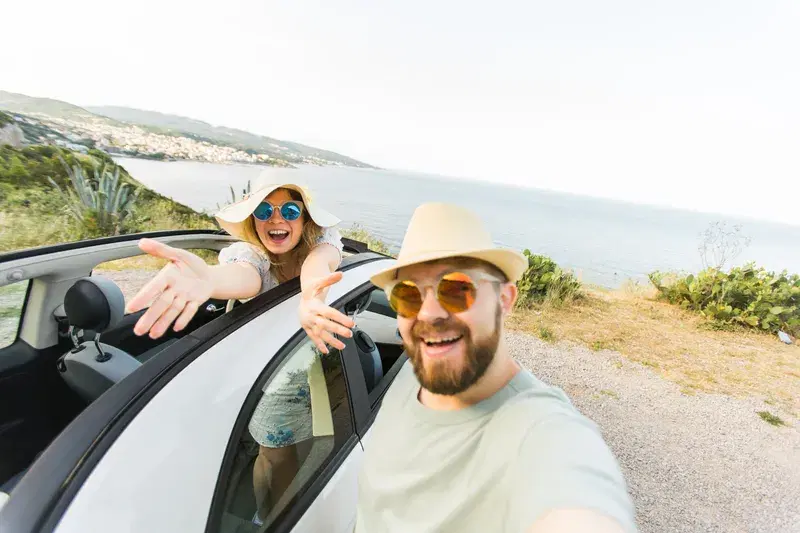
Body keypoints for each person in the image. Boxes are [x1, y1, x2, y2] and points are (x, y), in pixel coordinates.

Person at [355, 202, 638, 533]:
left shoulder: (539, 434)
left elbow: (576, 497)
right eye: (407, 295)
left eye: (457, 289)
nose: (429, 314)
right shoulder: (410, 375)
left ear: (504, 300)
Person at [124, 175, 355, 525]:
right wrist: (209, 281)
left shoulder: (323, 244)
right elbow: (242, 276)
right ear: (254, 221)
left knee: (292, 449)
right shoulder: (251, 256)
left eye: (290, 210)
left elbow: (316, 267)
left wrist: (311, 297)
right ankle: (274, 519)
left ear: (305, 220)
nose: (277, 218)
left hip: (317, 355)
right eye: (265, 210)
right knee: (275, 455)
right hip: (275, 370)